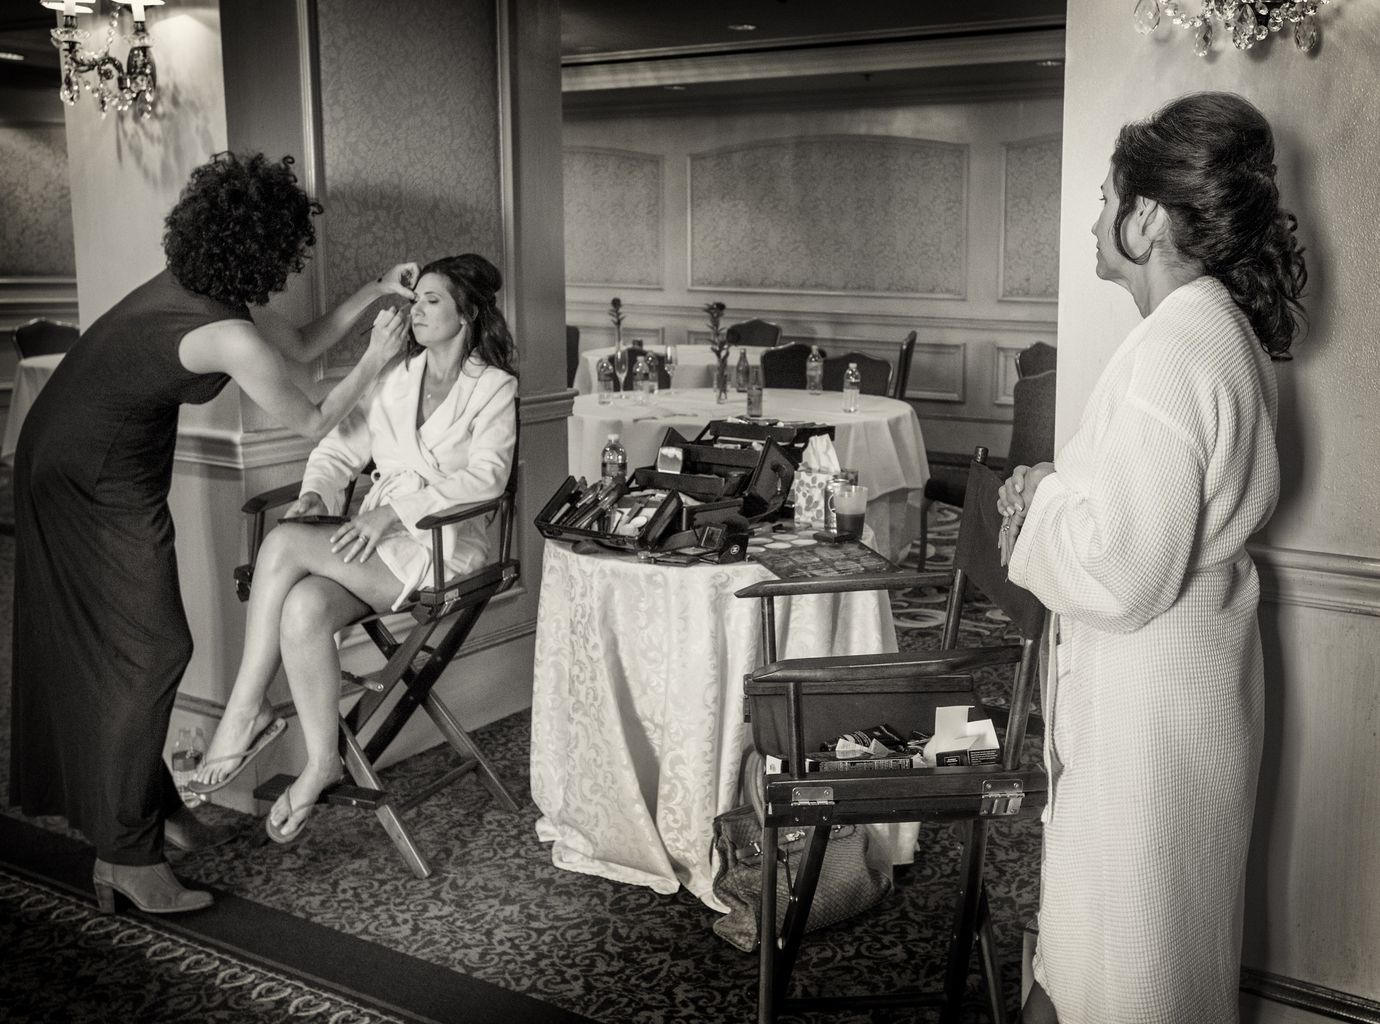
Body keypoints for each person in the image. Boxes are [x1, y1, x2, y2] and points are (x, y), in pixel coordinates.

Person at [10, 151, 419, 915]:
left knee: (129, 643)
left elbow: (298, 349)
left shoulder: (207, 294)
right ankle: (126, 859)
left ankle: (141, 806)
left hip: (91, 455)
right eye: (288, 250)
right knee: (152, 647)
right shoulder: (222, 332)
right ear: (262, 247)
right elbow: (311, 416)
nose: (292, 266)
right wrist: (376, 359)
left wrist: (374, 293)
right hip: (86, 474)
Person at [996, 93, 1307, 1023]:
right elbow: (1158, 510)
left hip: (1150, 717)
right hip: (1190, 694)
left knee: (1129, 968)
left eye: (1103, 197)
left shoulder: (1173, 346)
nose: (1094, 218)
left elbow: (1122, 570)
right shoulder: (1220, 332)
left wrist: (1036, 501)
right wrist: (1065, 487)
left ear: (1146, 218)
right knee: (1161, 952)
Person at [189, 253, 519, 846]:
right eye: (414, 301)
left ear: (467, 313)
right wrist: (316, 495)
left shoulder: (494, 387)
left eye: (432, 302)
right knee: (304, 608)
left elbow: (487, 480)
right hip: (378, 542)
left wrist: (393, 512)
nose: (415, 311)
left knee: (286, 542)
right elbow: (338, 451)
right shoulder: (395, 378)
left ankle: (247, 708)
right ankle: (322, 764)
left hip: (442, 548)